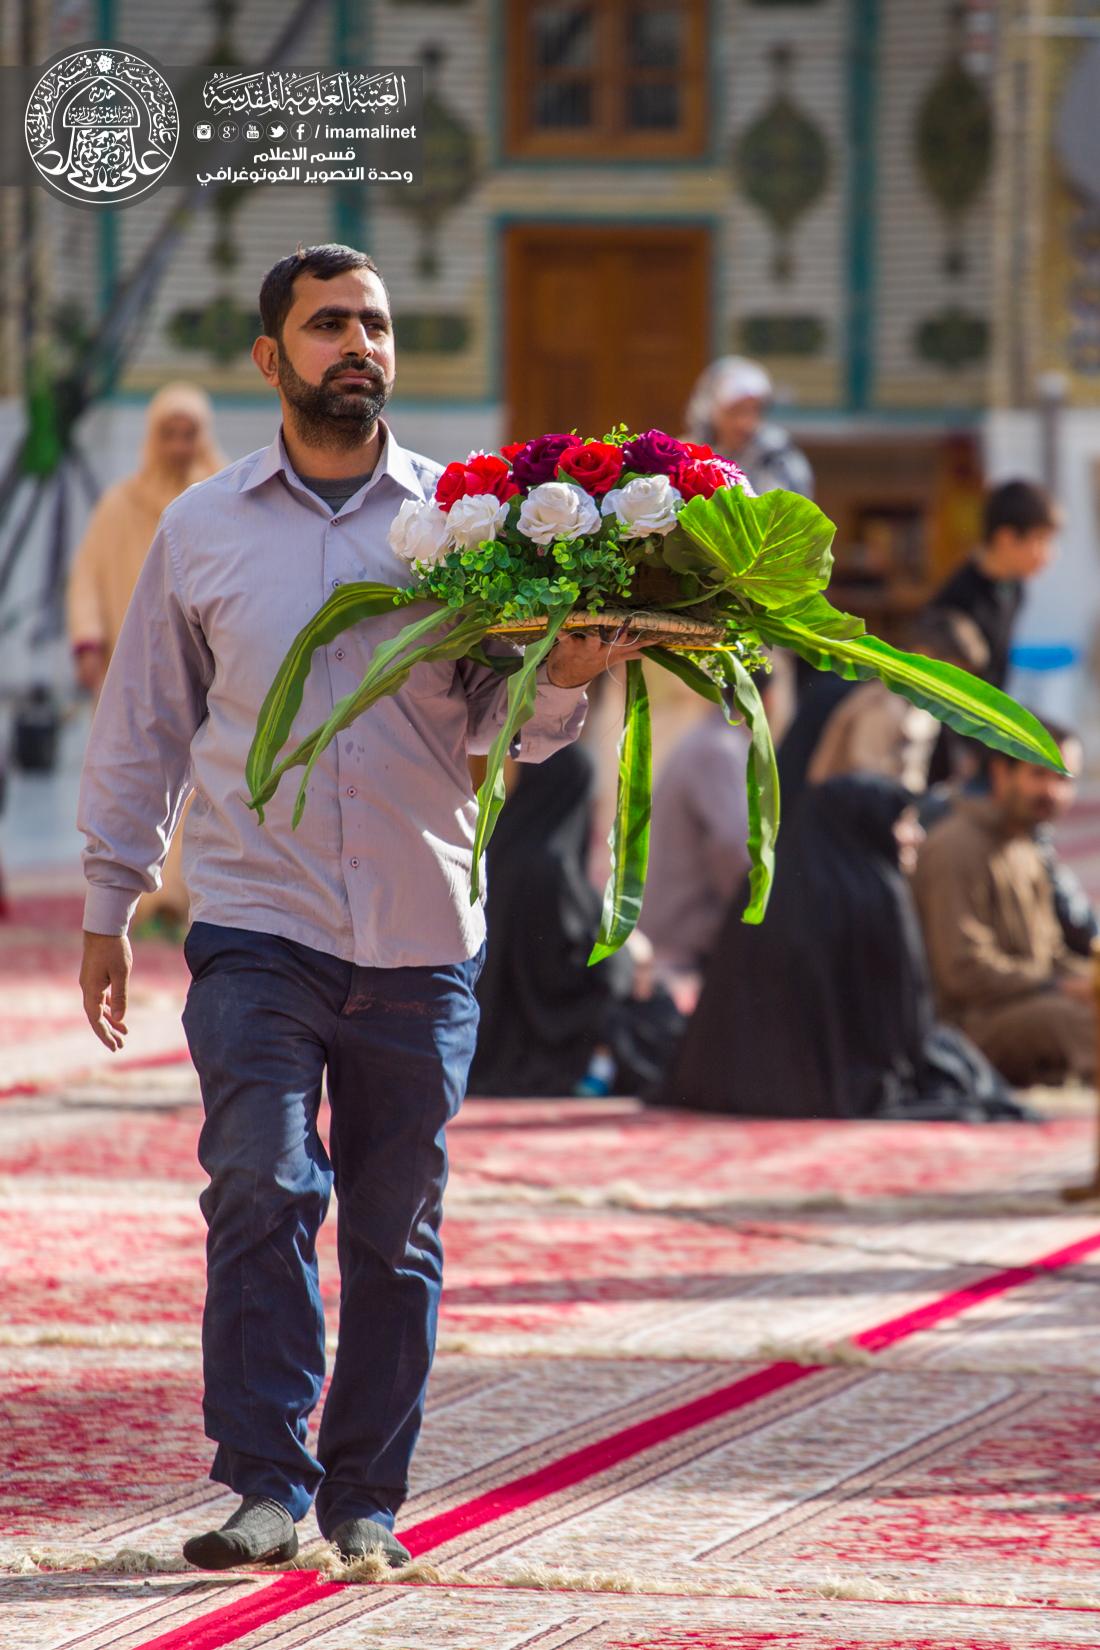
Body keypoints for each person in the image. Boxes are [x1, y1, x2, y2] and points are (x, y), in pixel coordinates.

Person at [75, 244, 649, 1572]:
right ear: (270, 359)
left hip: (420, 934)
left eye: (376, 323)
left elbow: (510, 729)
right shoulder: (201, 527)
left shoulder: (465, 526)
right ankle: (265, 1482)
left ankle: (364, 1500)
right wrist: (108, 896)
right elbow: (147, 721)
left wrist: (563, 674)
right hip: (255, 924)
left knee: (394, 1235)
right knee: (258, 1179)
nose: (359, 344)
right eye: (329, 323)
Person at [653, 775, 1024, 1121]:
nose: (916, 836)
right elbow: (902, 1022)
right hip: (838, 1085)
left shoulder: (766, 884)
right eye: (904, 824)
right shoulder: (877, 893)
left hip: (732, 1083)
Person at [67, 384, 225, 935]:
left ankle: (178, 901)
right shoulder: (119, 505)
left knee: (201, 784)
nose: (181, 446)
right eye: (170, 434)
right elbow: (86, 577)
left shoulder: (225, 503)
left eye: (190, 434)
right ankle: (137, 901)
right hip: (132, 676)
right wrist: (88, 643)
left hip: (210, 671)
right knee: (138, 776)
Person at [468, 741, 676, 1097]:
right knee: (657, 1015)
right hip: (549, 1035)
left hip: (490, 1037)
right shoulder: (555, 867)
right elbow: (584, 968)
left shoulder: (498, 850)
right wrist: (628, 959)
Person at [911, 724, 1095, 1085]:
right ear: (1000, 772)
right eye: (1038, 775)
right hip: (968, 1025)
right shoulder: (956, 847)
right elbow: (963, 970)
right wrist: (1056, 986)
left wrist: (1088, 979)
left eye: (1063, 779)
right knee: (1075, 1021)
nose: (1052, 792)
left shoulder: (1026, 846)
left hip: (1026, 1003)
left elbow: (1050, 953)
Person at [639, 703, 751, 1013]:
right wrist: (759, 913)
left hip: (673, 942)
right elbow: (733, 849)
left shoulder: (706, 739)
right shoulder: (719, 749)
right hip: (683, 954)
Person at [806, 612, 990, 796]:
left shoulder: (924, 711)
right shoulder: (881, 707)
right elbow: (863, 787)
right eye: (952, 680)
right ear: (924, 657)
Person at [929, 478, 1060, 692]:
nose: (1049, 555)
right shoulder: (960, 598)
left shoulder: (1014, 587)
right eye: (1041, 540)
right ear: (1006, 538)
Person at [682, 355, 813, 498]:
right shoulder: (687, 457)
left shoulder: (777, 459)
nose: (746, 423)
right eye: (736, 411)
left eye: (755, 410)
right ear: (710, 409)